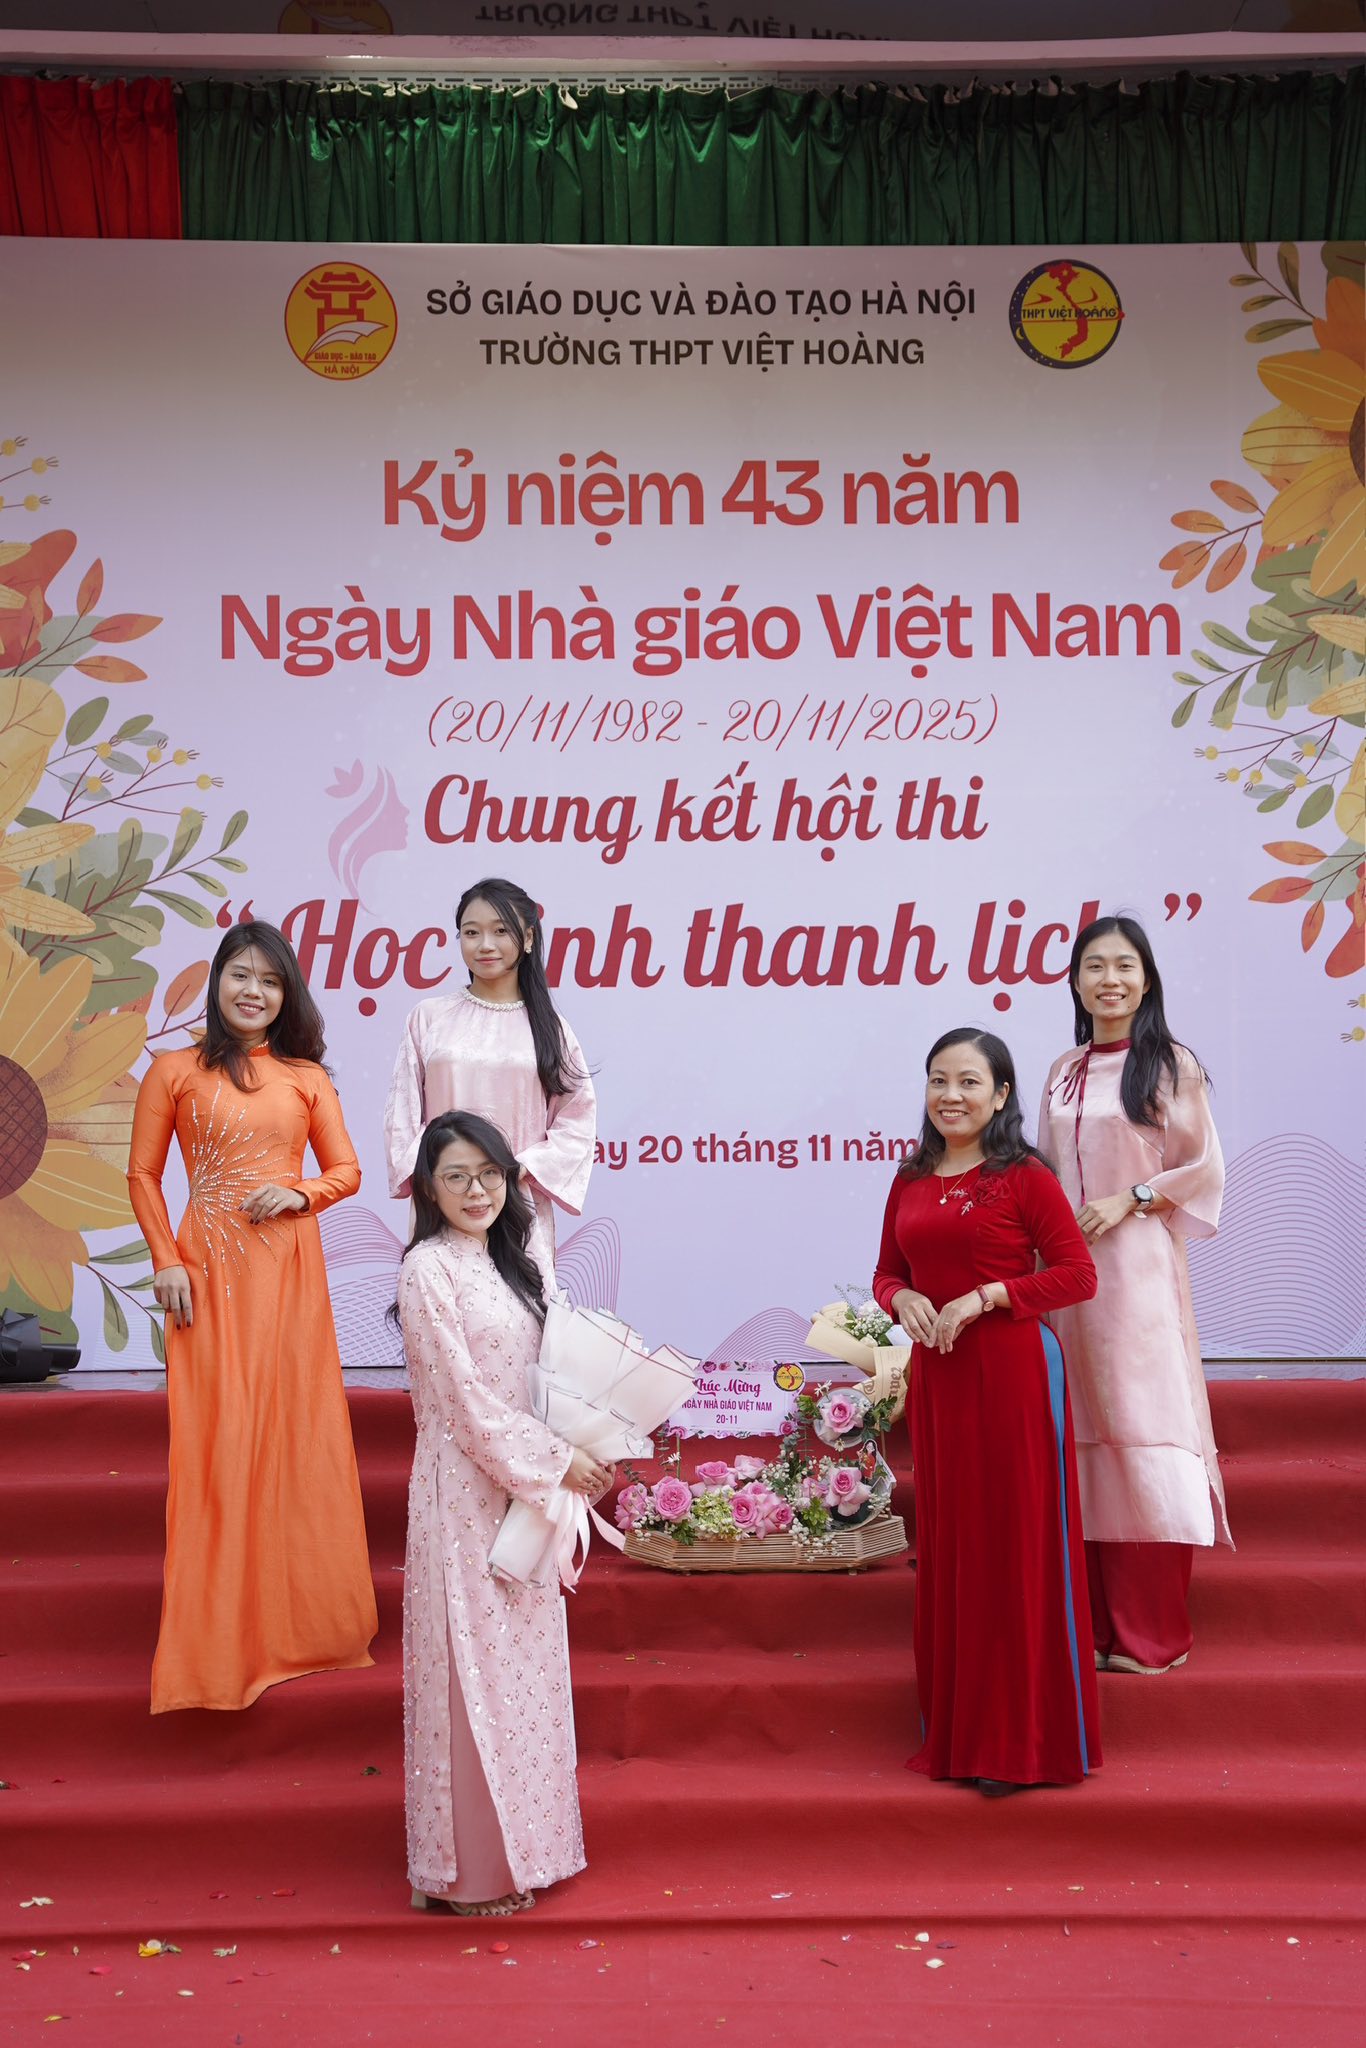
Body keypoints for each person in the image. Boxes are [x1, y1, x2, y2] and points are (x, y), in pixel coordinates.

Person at [126, 920, 377, 1713]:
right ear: (218, 981)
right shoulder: (174, 1070)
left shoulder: (305, 1077)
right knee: (220, 1442)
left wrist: (300, 1191)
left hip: (289, 1273)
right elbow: (142, 1174)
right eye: (241, 974)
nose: (253, 991)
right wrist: (166, 1259)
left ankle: (300, 1630)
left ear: (285, 996)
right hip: (206, 1273)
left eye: (270, 981)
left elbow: (347, 1170)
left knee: (294, 1434)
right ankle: (218, 1644)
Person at [872, 1028, 1101, 1796]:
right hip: (939, 1380)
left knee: (1013, 1549)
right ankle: (963, 1730)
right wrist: (902, 1299)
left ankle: (1020, 1741)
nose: (951, 1096)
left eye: (969, 1082)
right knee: (957, 1549)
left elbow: (1076, 1275)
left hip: (1012, 1376)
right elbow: (886, 1272)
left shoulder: (1024, 1176)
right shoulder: (910, 1177)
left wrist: (989, 1296)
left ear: (1001, 1094)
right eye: (939, 1080)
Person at [396, 1110, 611, 1917]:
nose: (477, 1190)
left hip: (529, 1491)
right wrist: (556, 1459)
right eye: (456, 1176)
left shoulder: (518, 1261)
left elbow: (556, 1369)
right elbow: (459, 1401)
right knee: (473, 1666)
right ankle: (469, 1871)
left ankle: (534, 1849)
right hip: (464, 1491)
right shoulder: (427, 1270)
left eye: (489, 1173)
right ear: (429, 1189)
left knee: (525, 1673)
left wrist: (589, 1434)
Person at [1040, 915, 1228, 1678]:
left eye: (1124, 966)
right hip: (1065, 1278)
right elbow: (1044, 1170)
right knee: (1080, 1432)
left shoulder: (1171, 1065)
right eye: (1094, 966)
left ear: (1146, 980)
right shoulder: (1063, 1070)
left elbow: (1204, 1166)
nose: (1109, 979)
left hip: (1138, 1272)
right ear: (1076, 982)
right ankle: (1090, 1626)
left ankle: (1151, 1633)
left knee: (1143, 1426)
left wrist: (1131, 1198)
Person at [384, 878, 596, 1285]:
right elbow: (402, 1115)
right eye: (471, 932)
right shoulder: (428, 1018)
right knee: (441, 1306)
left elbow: (578, 1119)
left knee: (521, 1312)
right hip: (444, 1199)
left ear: (528, 938)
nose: (485, 945)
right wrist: (436, 1178)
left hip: (518, 1200)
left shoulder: (550, 1029)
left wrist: (519, 1170)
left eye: (501, 931)